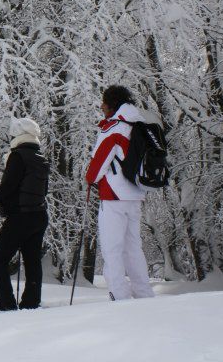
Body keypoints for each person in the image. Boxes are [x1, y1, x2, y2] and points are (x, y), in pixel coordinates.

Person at [84, 85, 155, 301]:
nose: (101, 106)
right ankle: (144, 294)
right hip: (135, 194)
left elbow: (97, 167)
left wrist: (89, 179)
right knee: (133, 247)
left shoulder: (114, 128)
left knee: (112, 248)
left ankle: (120, 296)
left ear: (112, 104)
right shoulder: (139, 125)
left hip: (113, 195)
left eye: (104, 102)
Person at [0, 118, 50, 310]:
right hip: (39, 215)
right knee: (32, 262)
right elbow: (44, 190)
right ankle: (31, 303)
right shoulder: (41, 158)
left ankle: (6, 303)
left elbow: (8, 186)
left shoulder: (18, 156)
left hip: (20, 217)